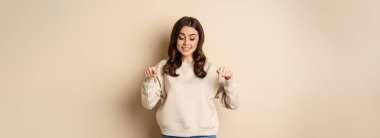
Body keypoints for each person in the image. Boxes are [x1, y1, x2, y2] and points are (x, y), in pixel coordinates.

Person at [141, 16, 240, 138]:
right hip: (171, 135)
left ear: (199, 40)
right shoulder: (162, 68)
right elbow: (148, 104)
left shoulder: (210, 69)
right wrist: (149, 80)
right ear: (175, 39)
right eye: (181, 37)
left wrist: (229, 81)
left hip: (205, 135)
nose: (186, 43)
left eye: (192, 38)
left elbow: (233, 104)